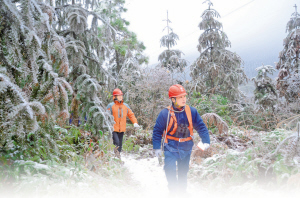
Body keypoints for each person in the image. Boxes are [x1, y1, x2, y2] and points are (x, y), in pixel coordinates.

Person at [152, 84, 210, 193]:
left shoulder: (191, 111)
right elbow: (157, 131)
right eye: (180, 97)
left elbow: (201, 126)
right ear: (173, 99)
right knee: (170, 170)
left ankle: (182, 193)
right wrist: (157, 148)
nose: (184, 99)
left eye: (184, 96)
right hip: (170, 147)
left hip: (186, 147)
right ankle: (173, 192)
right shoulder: (165, 113)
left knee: (183, 173)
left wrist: (206, 140)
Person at [106, 88, 139, 156]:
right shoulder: (111, 106)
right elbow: (106, 116)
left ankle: (118, 157)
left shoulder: (125, 106)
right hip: (113, 128)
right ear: (114, 97)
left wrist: (135, 122)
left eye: (121, 95)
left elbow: (131, 115)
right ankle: (116, 156)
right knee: (116, 142)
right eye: (118, 96)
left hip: (122, 129)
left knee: (120, 144)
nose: (121, 97)